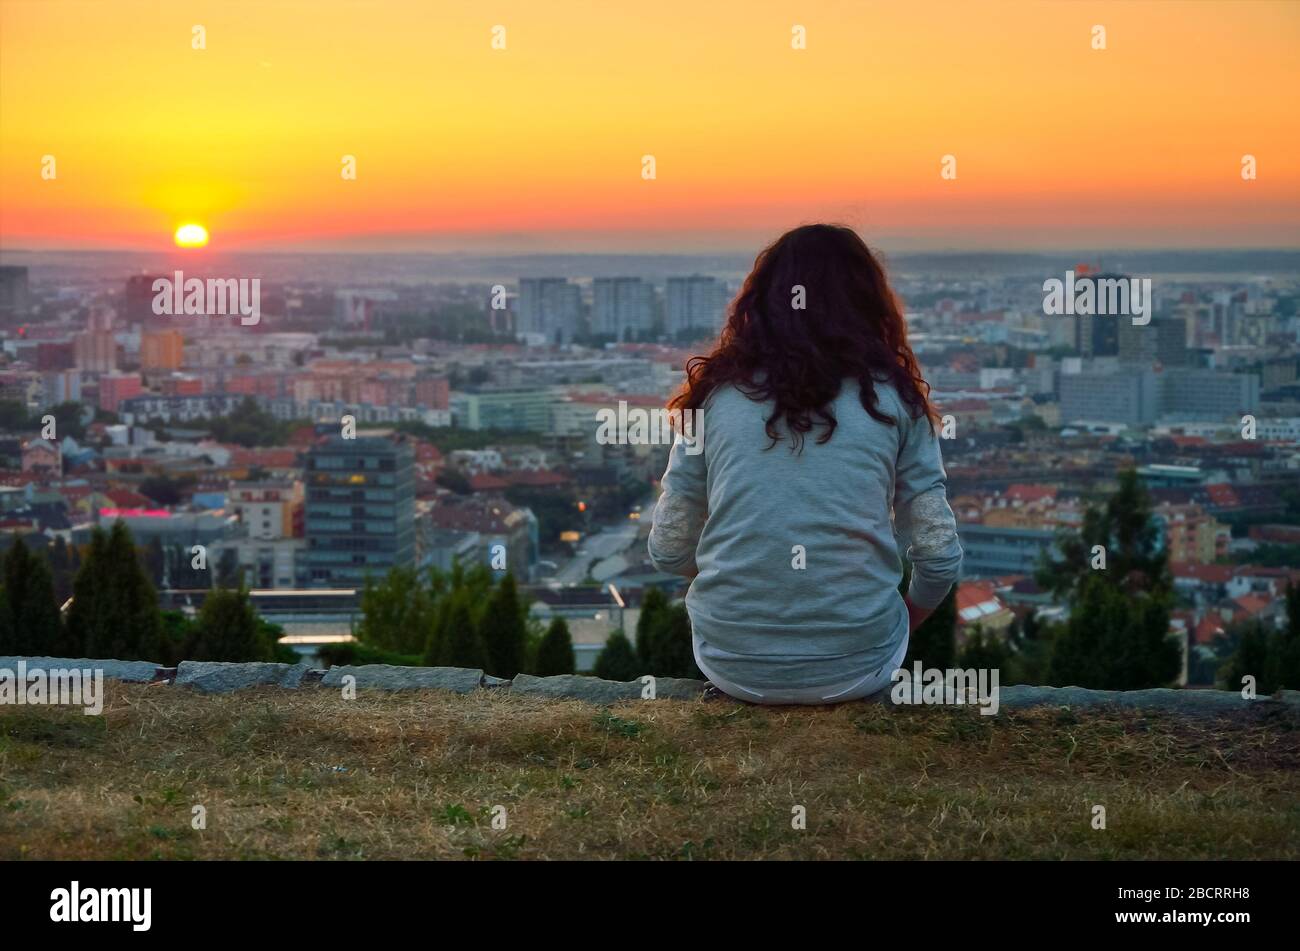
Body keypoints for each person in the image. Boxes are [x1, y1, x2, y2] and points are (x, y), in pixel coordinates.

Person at [647, 224, 962, 704]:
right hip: (860, 663)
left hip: (733, 662)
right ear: (868, 303)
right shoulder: (895, 399)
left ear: (760, 302)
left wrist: (734, 581)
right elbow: (939, 557)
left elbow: (669, 547)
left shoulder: (714, 398)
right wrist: (902, 616)